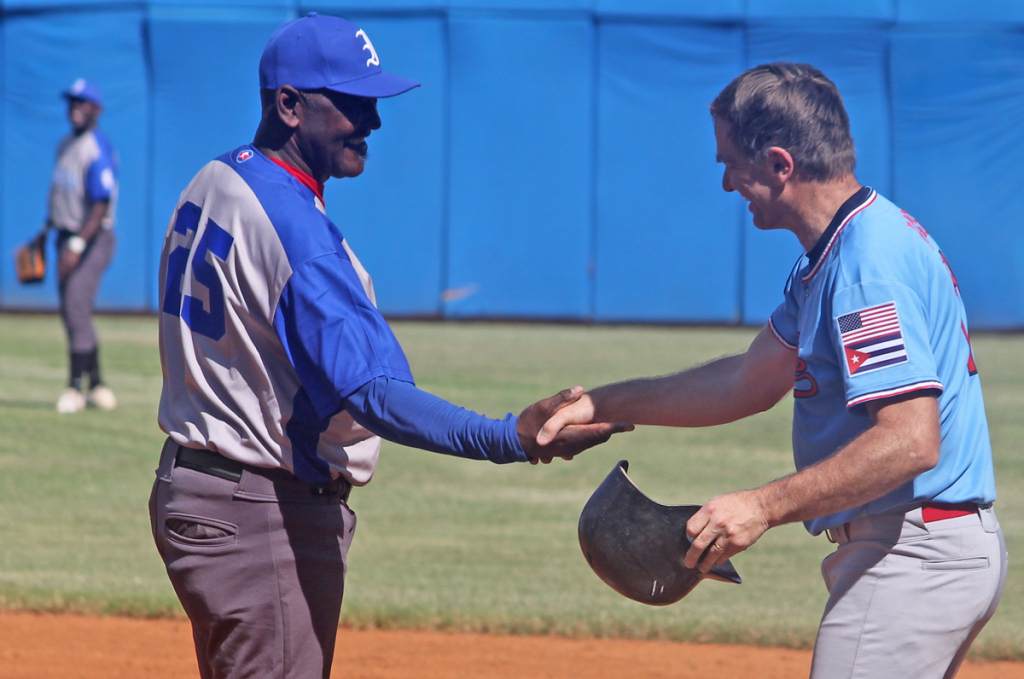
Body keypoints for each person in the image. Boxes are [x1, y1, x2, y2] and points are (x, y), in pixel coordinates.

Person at [148, 13, 629, 679]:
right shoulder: (300, 237)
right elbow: (373, 393)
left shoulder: (219, 176)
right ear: (289, 104)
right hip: (259, 514)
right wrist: (510, 436)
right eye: (350, 102)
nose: (371, 120)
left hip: (200, 490)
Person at [539, 63, 1006, 678]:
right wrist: (603, 403)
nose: (728, 182)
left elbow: (909, 441)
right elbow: (745, 381)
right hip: (919, 549)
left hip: (913, 556)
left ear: (781, 164)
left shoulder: (868, 265)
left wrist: (762, 506)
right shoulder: (834, 255)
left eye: (732, 162)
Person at [42, 78, 119, 414]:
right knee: (75, 313)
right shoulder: (65, 145)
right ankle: (98, 384)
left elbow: (100, 204)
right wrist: (46, 231)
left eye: (82, 102)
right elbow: (62, 196)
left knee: (76, 306)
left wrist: (75, 244)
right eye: (72, 101)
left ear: (96, 109)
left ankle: (75, 388)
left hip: (92, 238)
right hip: (65, 235)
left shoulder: (95, 147)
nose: (75, 107)